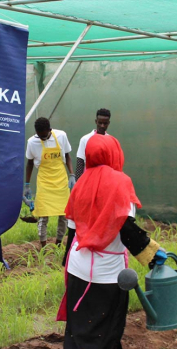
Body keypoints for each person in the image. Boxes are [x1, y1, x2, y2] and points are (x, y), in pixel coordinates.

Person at [53, 134, 165, 349]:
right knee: (107, 331)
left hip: (78, 269)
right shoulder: (120, 183)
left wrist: (66, 262)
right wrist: (152, 253)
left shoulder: (80, 184)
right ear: (115, 154)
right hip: (107, 275)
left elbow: (72, 229)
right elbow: (125, 228)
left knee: (81, 331)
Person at [64, 108, 112, 265]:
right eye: (100, 123)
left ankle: (92, 256)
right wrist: (79, 187)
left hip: (103, 188)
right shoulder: (86, 139)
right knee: (76, 222)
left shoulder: (111, 140)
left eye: (105, 123)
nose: (102, 126)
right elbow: (80, 163)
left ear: (109, 123)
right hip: (87, 186)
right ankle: (68, 259)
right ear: (95, 121)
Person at [24, 117, 74, 249]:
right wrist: (27, 184)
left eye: (45, 136)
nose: (42, 139)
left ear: (50, 130)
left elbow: (67, 155)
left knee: (64, 214)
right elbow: (29, 163)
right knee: (43, 215)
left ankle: (58, 244)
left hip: (60, 180)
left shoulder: (61, 136)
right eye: (40, 136)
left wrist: (72, 174)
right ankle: (43, 247)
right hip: (44, 181)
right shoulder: (32, 142)